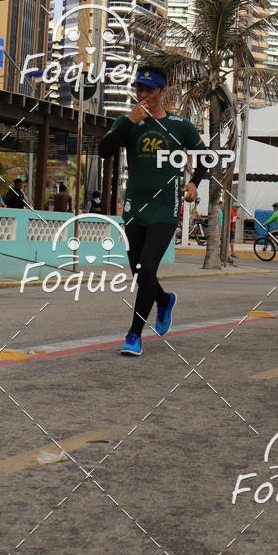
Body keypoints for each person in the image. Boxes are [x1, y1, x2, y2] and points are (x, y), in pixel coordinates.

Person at [98, 66, 208, 356]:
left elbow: (206, 158)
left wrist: (194, 183)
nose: (143, 94)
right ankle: (164, 299)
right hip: (135, 205)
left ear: (163, 92)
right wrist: (129, 122)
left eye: (149, 89)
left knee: (148, 267)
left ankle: (134, 334)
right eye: (139, 89)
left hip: (165, 206)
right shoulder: (127, 121)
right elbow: (103, 150)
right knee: (138, 271)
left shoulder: (180, 125)